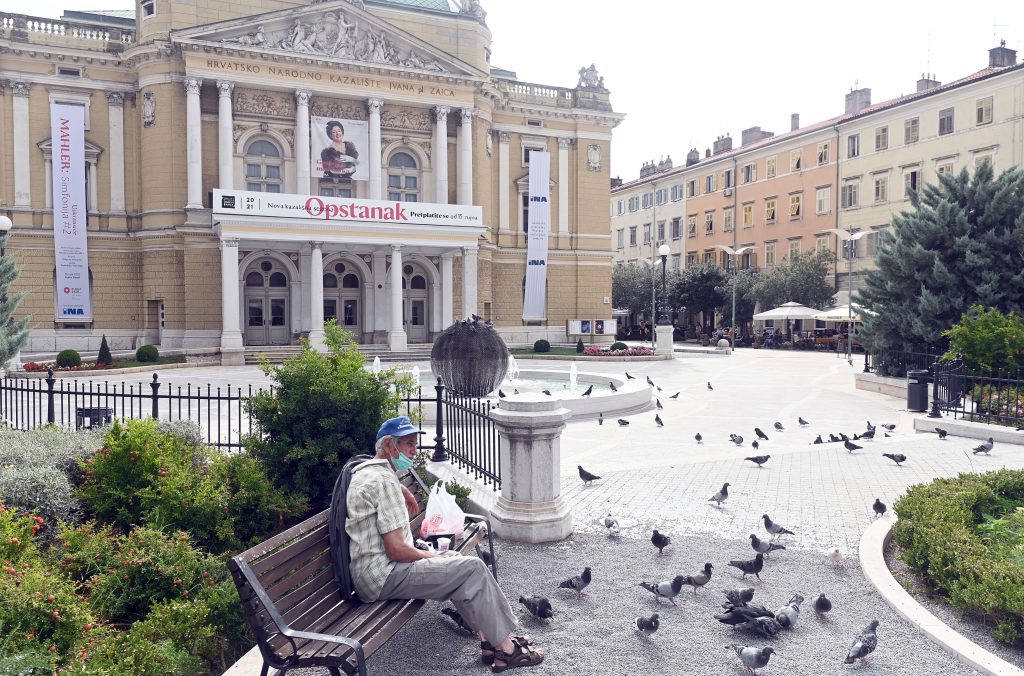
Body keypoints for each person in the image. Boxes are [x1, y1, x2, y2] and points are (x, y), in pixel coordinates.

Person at [346, 416, 544, 672]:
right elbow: (395, 549)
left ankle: (489, 641)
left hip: (371, 573)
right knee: (470, 568)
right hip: (383, 576)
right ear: (388, 445)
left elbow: (380, 490)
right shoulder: (383, 482)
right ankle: (506, 649)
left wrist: (400, 487)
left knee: (457, 561)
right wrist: (431, 557)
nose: (414, 452)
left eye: (415, 445)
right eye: (408, 444)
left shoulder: (370, 473)